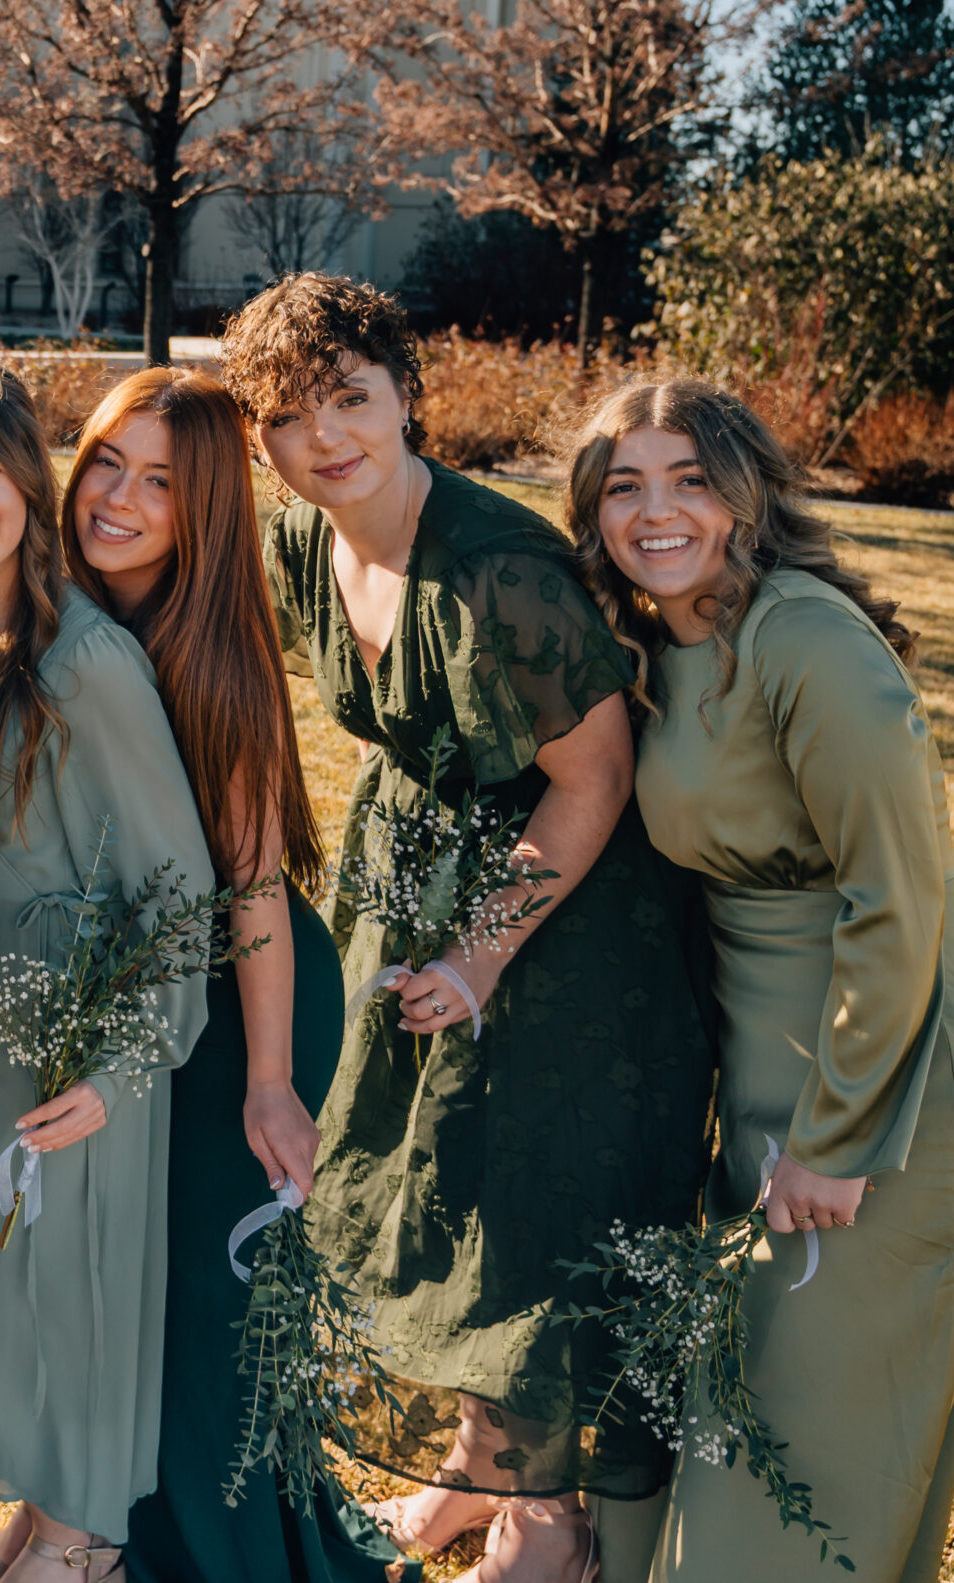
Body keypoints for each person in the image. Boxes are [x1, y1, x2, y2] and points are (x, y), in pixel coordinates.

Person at [229, 274, 714, 1582]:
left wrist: (484, 947)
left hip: (563, 909)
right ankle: (474, 1465)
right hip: (415, 882)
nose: (326, 435)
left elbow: (595, 775)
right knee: (439, 1180)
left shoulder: (500, 572)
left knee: (531, 1195)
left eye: (352, 398)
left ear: (405, 399)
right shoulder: (300, 537)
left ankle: (549, 1522)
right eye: (290, 413)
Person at [569, 378, 954, 1582]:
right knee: (743, 1410)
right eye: (624, 484)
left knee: (808, 1433)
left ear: (745, 493)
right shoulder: (659, 649)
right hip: (760, 1078)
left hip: (876, 1087)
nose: (657, 509)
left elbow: (901, 894)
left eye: (689, 477)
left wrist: (840, 1137)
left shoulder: (804, 636)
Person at [26, 366, 398, 1583]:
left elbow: (250, 886)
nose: (119, 499)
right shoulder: (54, 610)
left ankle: (231, 1557)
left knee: (201, 1311)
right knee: (113, 1289)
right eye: (105, 463)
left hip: (242, 1003)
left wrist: (273, 1081)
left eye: (162, 483)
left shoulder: (208, 648)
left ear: (207, 512)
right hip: (129, 992)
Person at [0, 360, 223, 1582]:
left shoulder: (85, 660)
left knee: (69, 1295)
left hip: (78, 1046)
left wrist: (124, 1062)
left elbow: (179, 893)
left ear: (30, 482)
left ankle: (80, 1543)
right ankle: (29, 1519)